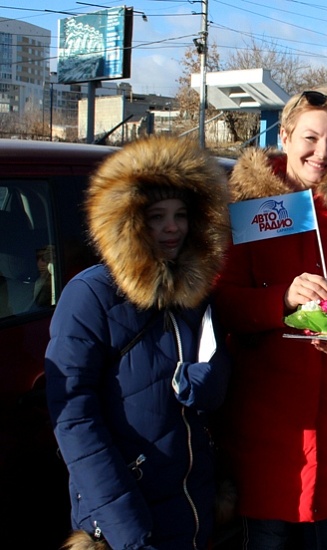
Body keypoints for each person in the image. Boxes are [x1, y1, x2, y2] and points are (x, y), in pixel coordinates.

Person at [213, 87, 327, 549]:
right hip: (269, 421)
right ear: (285, 134)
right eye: (310, 139)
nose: (322, 153)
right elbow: (221, 301)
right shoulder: (249, 205)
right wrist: (282, 299)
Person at [45, 135, 232, 550]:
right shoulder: (92, 294)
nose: (172, 228)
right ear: (127, 222)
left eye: (181, 215)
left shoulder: (196, 292)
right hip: (123, 519)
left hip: (192, 509)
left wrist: (210, 379)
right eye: (156, 215)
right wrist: (125, 528)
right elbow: (74, 419)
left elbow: (211, 400)